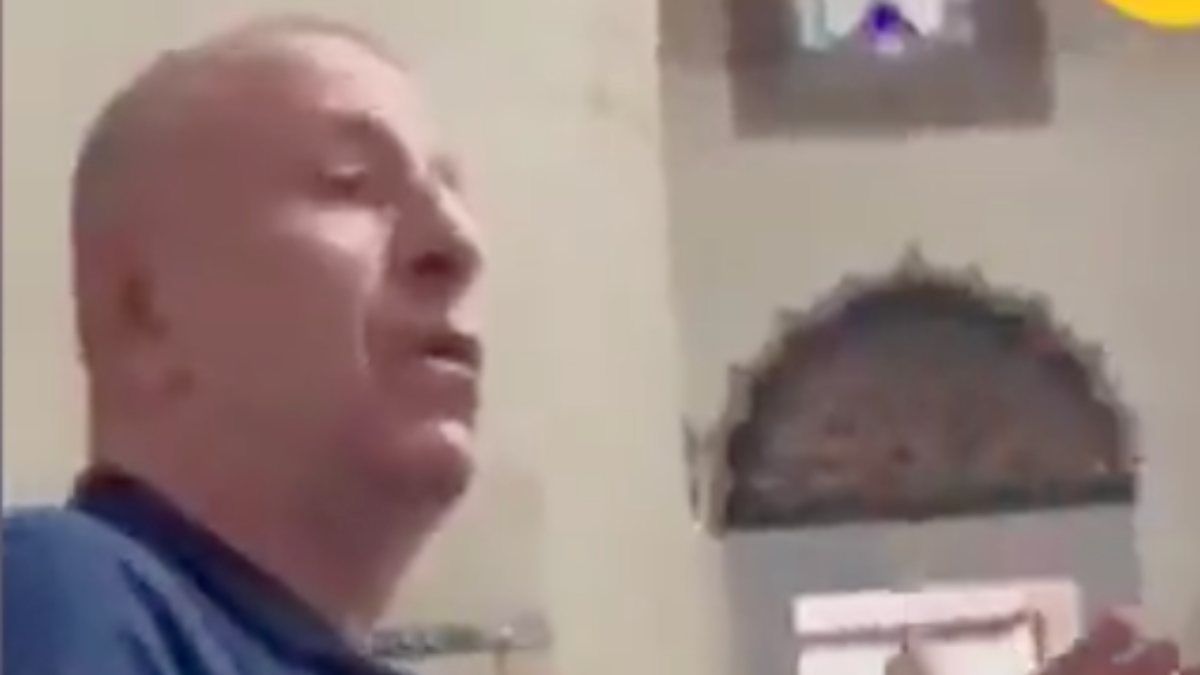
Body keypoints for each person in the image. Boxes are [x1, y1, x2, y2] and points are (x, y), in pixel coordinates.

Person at [0, 13, 1193, 675]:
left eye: (453, 197)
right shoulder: (60, 593)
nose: (455, 244)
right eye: (351, 184)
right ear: (145, 314)